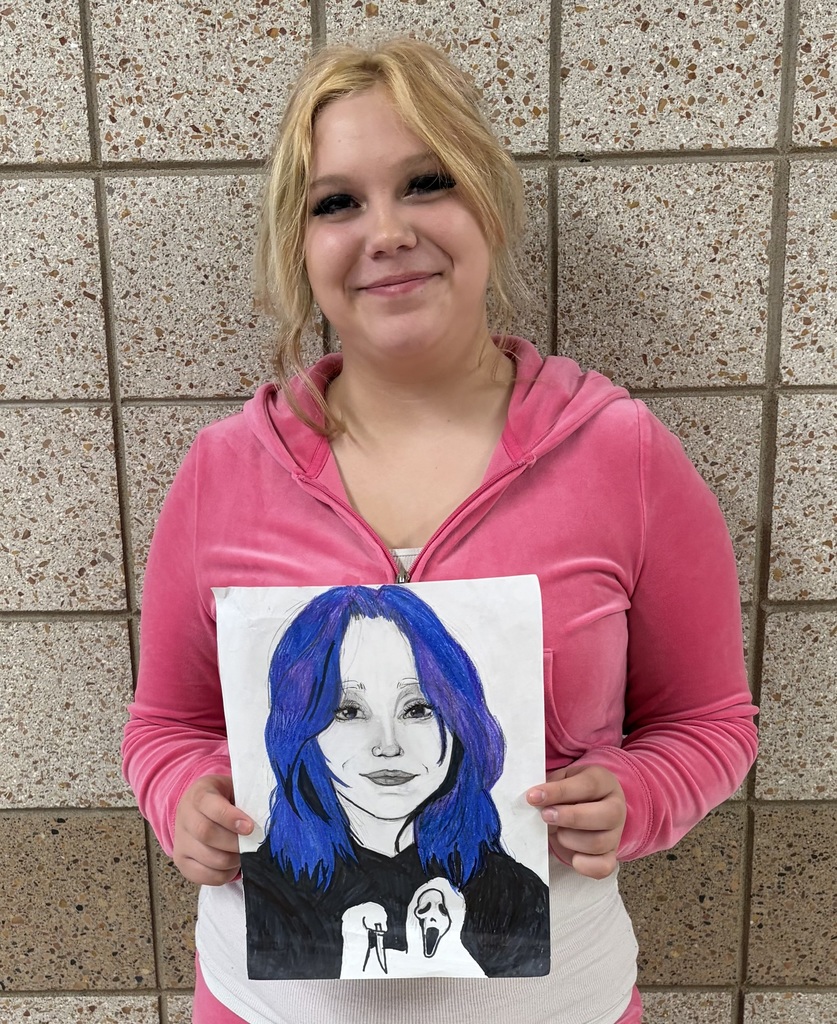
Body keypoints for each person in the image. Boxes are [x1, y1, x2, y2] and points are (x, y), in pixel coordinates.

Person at [122, 36, 758, 1024]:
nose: (385, 231)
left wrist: (639, 792)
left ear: (489, 208)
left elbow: (713, 721)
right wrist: (187, 798)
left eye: (426, 183)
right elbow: (165, 726)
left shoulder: (621, 454)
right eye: (337, 202)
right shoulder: (223, 471)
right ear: (301, 244)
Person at [241, 584, 549, 980]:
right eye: (348, 711)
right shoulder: (268, 894)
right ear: (300, 729)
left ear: (460, 723)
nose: (388, 745)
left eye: (417, 708)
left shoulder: (514, 896)